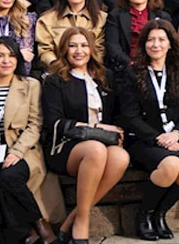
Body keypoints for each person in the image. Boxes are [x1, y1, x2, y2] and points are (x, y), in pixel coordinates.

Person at [0, 37, 62, 244]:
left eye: (11, 55)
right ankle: (23, 233)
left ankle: (40, 227)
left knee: (9, 177)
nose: (6, 60)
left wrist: (16, 151)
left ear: (18, 59)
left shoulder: (31, 85)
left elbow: (35, 123)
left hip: (24, 150)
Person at [41, 27, 130, 243]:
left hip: (101, 145)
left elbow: (118, 114)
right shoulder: (54, 80)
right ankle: (82, 223)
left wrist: (117, 131)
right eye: (72, 46)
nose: (78, 51)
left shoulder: (105, 76)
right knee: (96, 150)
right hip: (65, 146)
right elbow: (54, 122)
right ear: (64, 50)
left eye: (83, 45)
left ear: (91, 49)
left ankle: (71, 219)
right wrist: (98, 128)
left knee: (121, 157)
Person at [116, 20, 179, 240]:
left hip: (175, 135)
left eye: (162, 39)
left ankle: (160, 214)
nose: (156, 44)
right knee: (171, 164)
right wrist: (158, 138)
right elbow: (129, 116)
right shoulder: (132, 73)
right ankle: (144, 215)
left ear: (170, 43)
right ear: (143, 44)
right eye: (151, 40)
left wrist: (176, 135)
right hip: (144, 139)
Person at [36, 0, 107, 69]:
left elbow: (100, 49)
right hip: (58, 71)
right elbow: (45, 50)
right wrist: (59, 67)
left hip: (91, 70)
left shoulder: (102, 19)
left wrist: (87, 68)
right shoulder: (46, 20)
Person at [104, 0, 172, 72]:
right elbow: (113, 46)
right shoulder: (115, 16)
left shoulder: (163, 17)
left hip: (157, 67)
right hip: (125, 69)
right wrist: (131, 64)